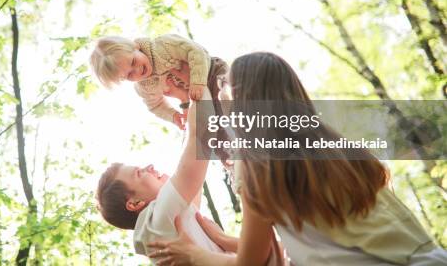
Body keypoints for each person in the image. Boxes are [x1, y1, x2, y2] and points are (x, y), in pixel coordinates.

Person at [149, 52, 447, 265]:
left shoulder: (256, 162)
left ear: (241, 96)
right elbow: (318, 238)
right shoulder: (338, 147)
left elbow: (250, 263)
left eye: (224, 84)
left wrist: (195, 255)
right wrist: (226, 241)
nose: (220, 91)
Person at [95, 65, 228, 264]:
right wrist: (197, 84)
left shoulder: (166, 226)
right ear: (135, 203)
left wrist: (185, 101)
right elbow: (199, 139)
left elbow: (192, 159)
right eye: (139, 173)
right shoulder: (160, 218)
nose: (149, 166)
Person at [89, 34, 215, 129]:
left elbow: (194, 51)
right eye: (129, 75)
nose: (137, 70)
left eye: (133, 62)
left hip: (211, 71)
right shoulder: (144, 87)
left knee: (225, 97)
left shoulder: (162, 47)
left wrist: (197, 81)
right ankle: (225, 153)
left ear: (135, 47)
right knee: (207, 125)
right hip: (197, 96)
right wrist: (173, 116)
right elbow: (156, 105)